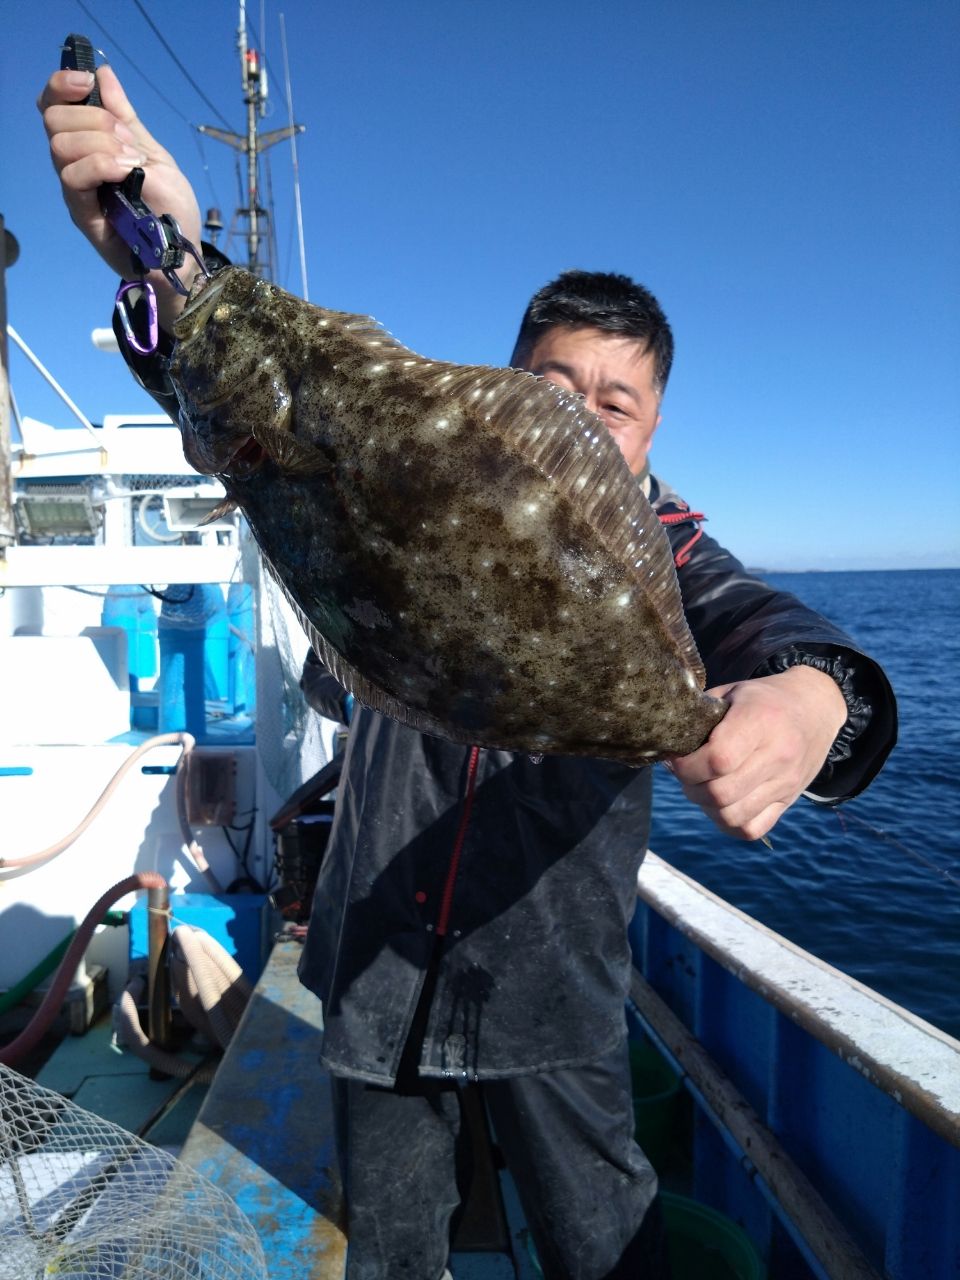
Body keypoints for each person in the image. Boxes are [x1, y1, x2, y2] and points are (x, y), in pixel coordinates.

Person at [40, 65, 897, 1280]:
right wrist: (167, 255)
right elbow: (279, 414)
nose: (581, 422)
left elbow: (770, 629)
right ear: (498, 382)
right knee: (393, 1251)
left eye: (618, 404)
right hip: (375, 970)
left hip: (552, 995)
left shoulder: (678, 557)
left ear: (654, 430)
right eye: (552, 389)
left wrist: (815, 699)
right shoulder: (412, 477)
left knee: (610, 1247)